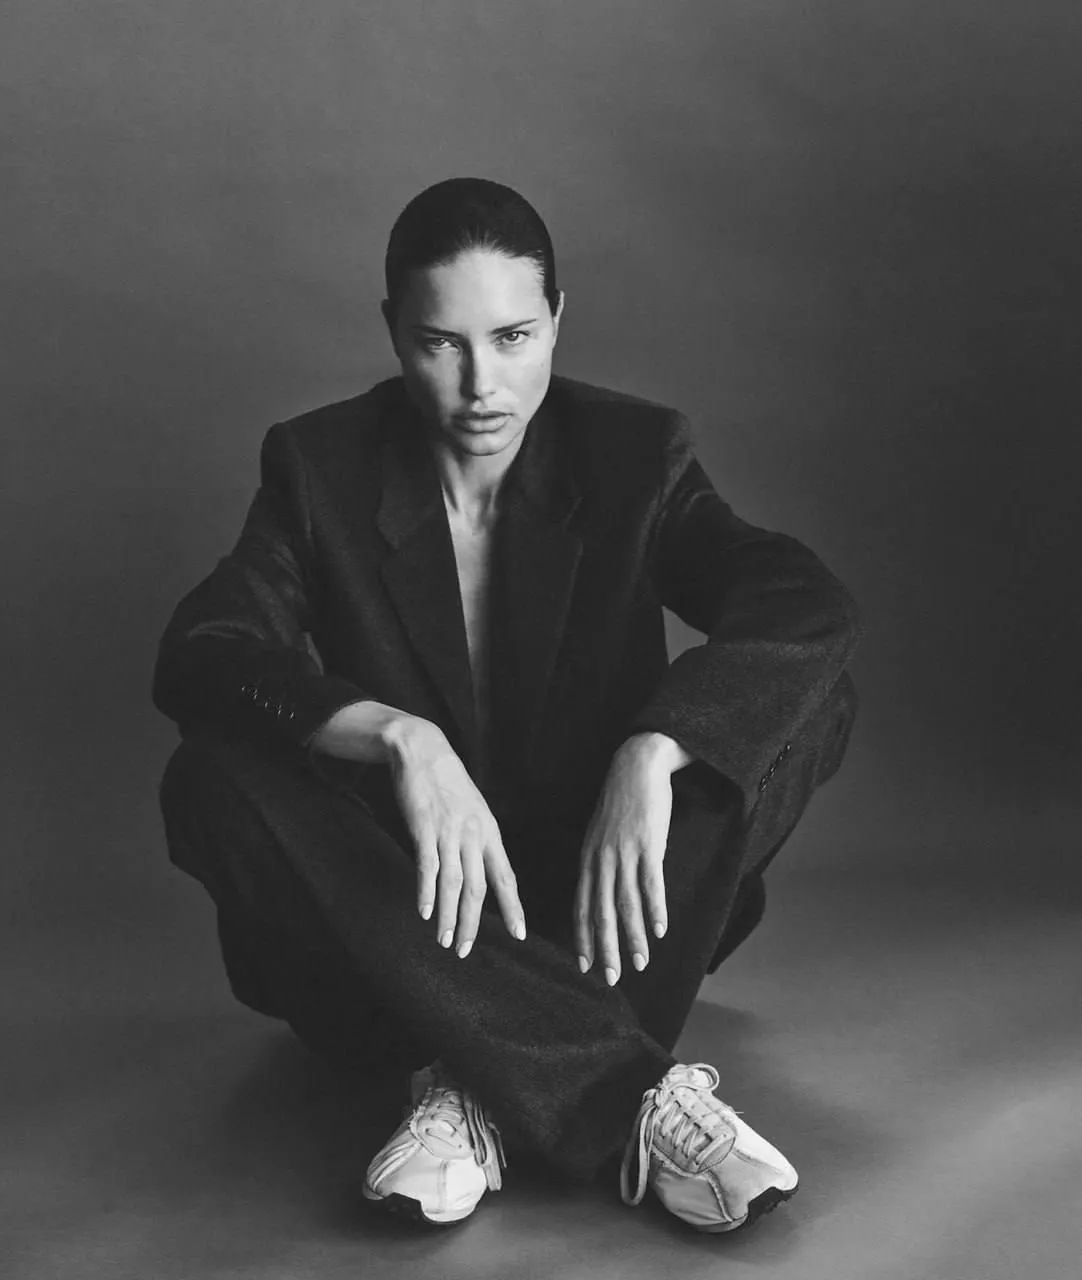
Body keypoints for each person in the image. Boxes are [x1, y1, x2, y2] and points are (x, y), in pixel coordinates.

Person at [152, 177, 862, 1234]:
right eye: (441, 343)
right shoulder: (317, 469)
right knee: (207, 775)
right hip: (405, 924)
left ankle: (468, 1080)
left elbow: (800, 598)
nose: (482, 383)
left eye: (514, 336)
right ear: (391, 333)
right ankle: (613, 1088)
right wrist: (397, 736)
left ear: (557, 322)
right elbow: (204, 652)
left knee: (809, 696)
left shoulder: (632, 457)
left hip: (603, 900)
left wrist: (658, 744)